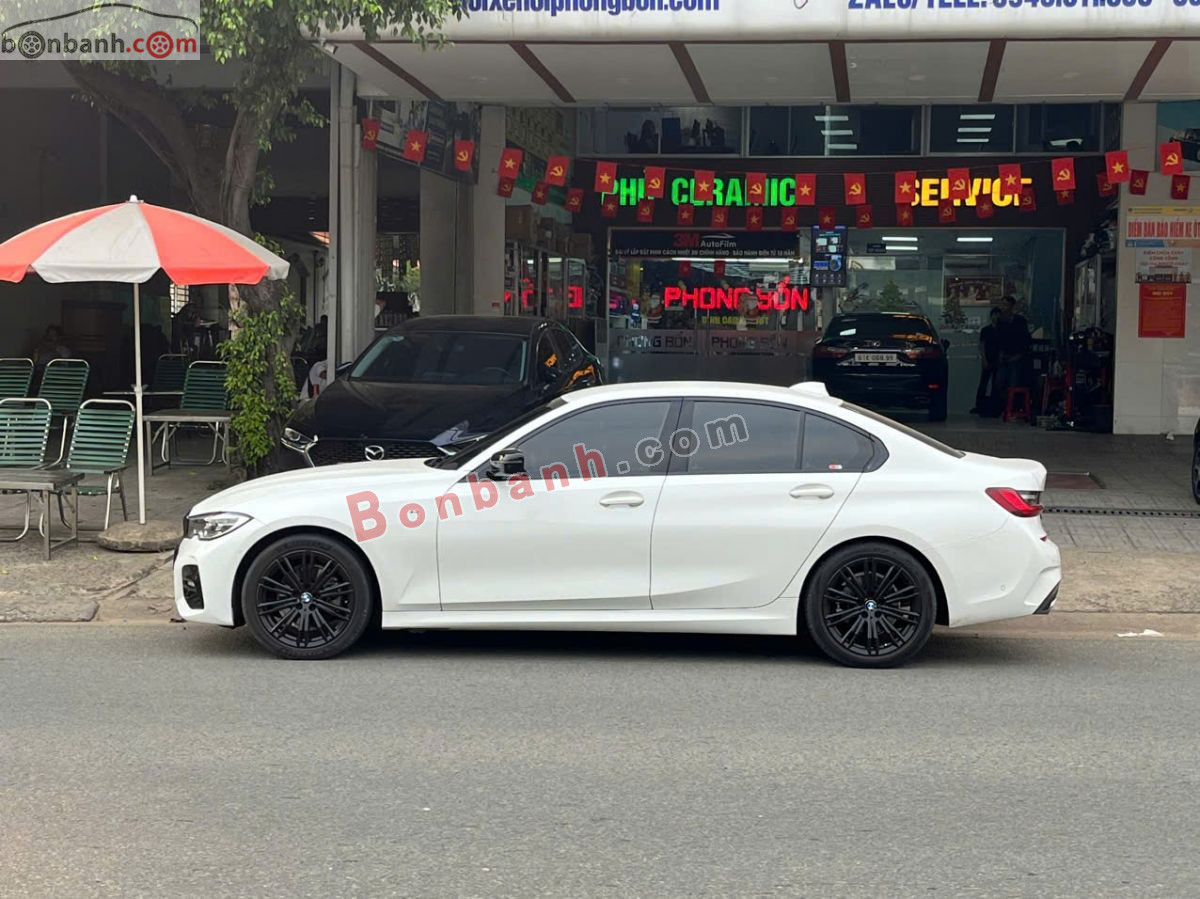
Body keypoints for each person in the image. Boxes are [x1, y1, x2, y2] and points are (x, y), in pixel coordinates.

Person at [993, 295, 1031, 405]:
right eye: (1002, 305)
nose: (1004, 308)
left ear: (1011, 306)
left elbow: (1025, 339)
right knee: (999, 382)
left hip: (1016, 356)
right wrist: (1000, 354)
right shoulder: (1000, 322)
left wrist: (1020, 354)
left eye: (1006, 305)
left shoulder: (1020, 321)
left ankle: (1012, 405)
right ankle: (1004, 404)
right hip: (1004, 356)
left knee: (1013, 383)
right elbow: (999, 339)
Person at [972, 307, 1002, 415]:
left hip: (998, 359)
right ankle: (979, 405)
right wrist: (984, 359)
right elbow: (982, 345)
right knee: (983, 382)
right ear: (991, 316)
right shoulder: (986, 330)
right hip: (988, 358)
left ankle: (995, 406)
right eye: (995, 315)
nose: (996, 317)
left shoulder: (1002, 330)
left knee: (996, 383)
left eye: (998, 315)